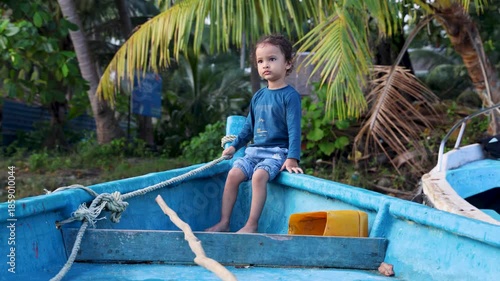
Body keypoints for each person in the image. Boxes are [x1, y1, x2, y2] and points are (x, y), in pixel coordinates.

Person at [206, 34, 303, 233]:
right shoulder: (259, 96)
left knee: (259, 176)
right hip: (254, 151)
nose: (265, 65)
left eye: (272, 59)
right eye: (260, 61)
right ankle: (224, 222)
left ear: (287, 64)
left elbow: (294, 129)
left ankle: (252, 224)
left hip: (277, 152)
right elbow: (248, 127)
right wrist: (234, 146)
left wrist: (292, 158)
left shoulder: (290, 96)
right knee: (233, 174)